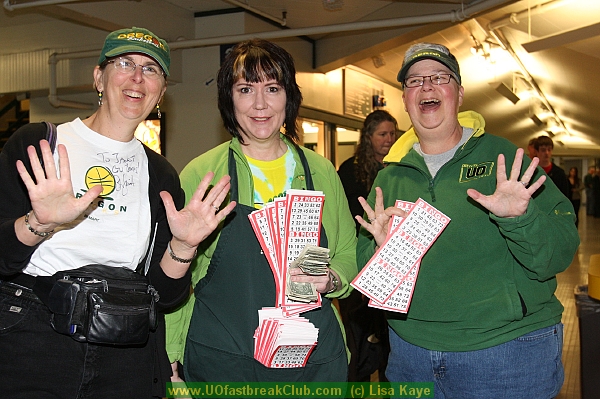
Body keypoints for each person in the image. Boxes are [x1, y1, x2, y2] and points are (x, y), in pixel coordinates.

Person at [0, 27, 235, 399]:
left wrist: (184, 246)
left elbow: (165, 295)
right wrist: (39, 223)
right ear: (99, 76)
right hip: (35, 340)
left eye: (152, 69)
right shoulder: (40, 144)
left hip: (124, 351)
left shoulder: (160, 174)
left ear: (160, 91)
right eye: (125, 63)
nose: (137, 78)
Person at [356, 42, 579, 398]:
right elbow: (371, 282)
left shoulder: (504, 158)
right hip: (411, 354)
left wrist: (520, 218)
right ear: (405, 98)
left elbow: (557, 255)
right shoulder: (389, 178)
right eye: (414, 81)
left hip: (507, 353)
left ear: (459, 94)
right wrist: (382, 251)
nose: (426, 86)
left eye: (439, 77)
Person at [165, 39, 357, 382]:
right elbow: (180, 276)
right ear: (229, 98)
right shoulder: (203, 173)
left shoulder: (320, 171)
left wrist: (330, 279)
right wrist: (170, 355)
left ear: (289, 97)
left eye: (272, 88)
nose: (259, 104)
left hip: (311, 361)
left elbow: (347, 254)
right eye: (244, 89)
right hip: (223, 360)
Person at [337, 109, 398, 381]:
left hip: (392, 259)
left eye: (393, 134)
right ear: (368, 137)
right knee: (359, 337)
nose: (389, 139)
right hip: (358, 255)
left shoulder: (401, 168)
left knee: (389, 338)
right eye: (382, 134)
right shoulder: (350, 171)